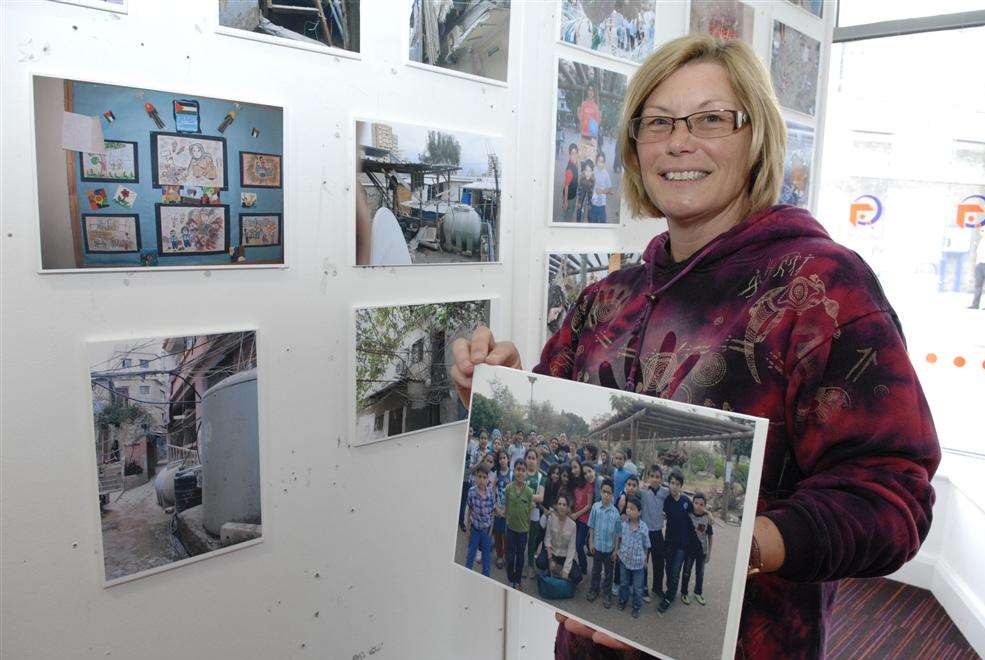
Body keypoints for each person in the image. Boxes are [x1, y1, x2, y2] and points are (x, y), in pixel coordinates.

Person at [450, 34, 939, 658]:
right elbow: (559, 439)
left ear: (755, 137)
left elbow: (892, 496)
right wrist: (502, 386)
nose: (680, 141)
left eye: (710, 118)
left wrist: (744, 549)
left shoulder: (822, 291)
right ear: (635, 148)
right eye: (658, 123)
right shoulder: (608, 298)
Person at [659, 470, 692, 613]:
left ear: (681, 486)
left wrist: (708, 513)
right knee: (668, 568)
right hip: (669, 542)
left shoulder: (686, 501)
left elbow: (696, 513)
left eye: (677, 484)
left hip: (682, 545)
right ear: (669, 484)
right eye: (672, 483)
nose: (674, 486)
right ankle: (670, 589)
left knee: (675, 572)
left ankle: (669, 597)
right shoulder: (667, 501)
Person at [585, 479, 621, 609]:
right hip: (597, 547)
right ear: (600, 492)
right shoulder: (595, 508)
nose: (606, 495)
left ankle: (607, 594)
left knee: (609, 574)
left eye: (609, 493)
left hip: (609, 550)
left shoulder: (615, 513)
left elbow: (617, 533)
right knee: (595, 571)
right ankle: (594, 589)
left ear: (612, 495)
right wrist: (591, 542)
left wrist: (616, 550)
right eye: (604, 491)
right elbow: (592, 527)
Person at [639, 464, 670, 603]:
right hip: (645, 532)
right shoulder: (643, 491)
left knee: (659, 563)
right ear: (648, 477)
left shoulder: (665, 492)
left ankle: (657, 588)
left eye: (657, 477)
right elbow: (629, 494)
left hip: (657, 533)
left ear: (661, 479)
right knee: (643, 562)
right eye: (652, 476)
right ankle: (643, 588)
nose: (654, 479)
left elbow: (678, 494)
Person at [616, 495, 650, 619]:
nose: (629, 510)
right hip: (624, 560)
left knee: (638, 587)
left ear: (639, 512)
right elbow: (619, 538)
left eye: (633, 508)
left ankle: (636, 606)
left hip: (638, 563)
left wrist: (645, 559)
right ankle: (622, 600)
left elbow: (647, 545)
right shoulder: (623, 524)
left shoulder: (644, 528)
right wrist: (618, 551)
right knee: (624, 583)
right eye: (628, 508)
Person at [539, 494, 582, 585]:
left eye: (564, 505)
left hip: (564, 556)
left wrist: (566, 570)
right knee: (540, 562)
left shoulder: (572, 525)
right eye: (560, 504)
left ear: (567, 508)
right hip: (553, 553)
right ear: (556, 506)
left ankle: (560, 571)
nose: (562, 507)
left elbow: (571, 549)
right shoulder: (551, 519)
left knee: (577, 576)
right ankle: (552, 569)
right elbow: (547, 540)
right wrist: (550, 560)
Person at [504, 460, 533, 590]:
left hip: (523, 531)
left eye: (523, 470)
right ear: (514, 470)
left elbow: (529, 512)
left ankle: (518, 579)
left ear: (526, 473)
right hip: (510, 528)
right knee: (510, 557)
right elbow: (506, 506)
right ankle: (511, 579)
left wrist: (528, 528)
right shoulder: (508, 488)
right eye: (518, 469)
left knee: (520, 558)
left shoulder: (529, 492)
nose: (520, 472)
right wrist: (506, 519)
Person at [681, 491, 713, 606]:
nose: (698, 506)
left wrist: (709, 553)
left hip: (702, 552)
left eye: (701, 504)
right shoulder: (688, 514)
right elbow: (684, 499)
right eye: (696, 503)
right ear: (692, 503)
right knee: (686, 572)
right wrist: (708, 511)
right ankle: (684, 593)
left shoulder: (707, 519)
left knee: (700, 574)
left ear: (704, 506)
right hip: (689, 551)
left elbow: (710, 536)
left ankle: (698, 592)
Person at [464, 466, 496, 577]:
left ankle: (485, 578)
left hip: (486, 530)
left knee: (486, 558)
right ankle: (465, 575)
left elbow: (492, 512)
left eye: (484, 477)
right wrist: (467, 529)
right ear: (475, 477)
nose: (481, 479)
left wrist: (490, 531)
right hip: (475, 529)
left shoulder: (490, 493)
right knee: (471, 554)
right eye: (479, 476)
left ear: (488, 479)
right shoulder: (472, 492)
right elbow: (469, 510)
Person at [524, 449, 546, 579]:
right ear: (525, 458)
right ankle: (520, 564)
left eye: (533, 458)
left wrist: (525, 496)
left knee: (532, 541)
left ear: (537, 461)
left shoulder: (540, 477)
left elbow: (541, 498)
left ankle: (530, 566)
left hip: (534, 513)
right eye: (529, 457)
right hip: (521, 512)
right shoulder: (521, 473)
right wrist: (532, 497)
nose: (531, 460)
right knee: (521, 540)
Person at [569, 459, 594, 575]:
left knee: (579, 545)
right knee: (575, 544)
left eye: (576, 467)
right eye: (572, 468)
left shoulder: (588, 484)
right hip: (575, 519)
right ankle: (580, 566)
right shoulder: (574, 483)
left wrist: (576, 514)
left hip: (584, 520)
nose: (574, 470)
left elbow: (589, 505)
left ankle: (583, 567)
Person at [492, 449, 512, 570]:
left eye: (504, 458)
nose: (502, 460)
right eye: (500, 458)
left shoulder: (512, 474)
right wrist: (497, 508)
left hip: (508, 510)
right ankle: (499, 555)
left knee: (507, 535)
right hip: (498, 509)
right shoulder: (496, 474)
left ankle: (507, 556)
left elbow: (514, 492)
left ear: (508, 459)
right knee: (498, 534)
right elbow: (493, 491)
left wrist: (507, 509)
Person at [589, 152, 613, 224]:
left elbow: (610, 190)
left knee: (602, 223)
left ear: (604, 163)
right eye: (599, 161)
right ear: (596, 161)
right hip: (592, 202)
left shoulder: (606, 174)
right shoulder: (593, 170)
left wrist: (601, 191)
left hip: (601, 204)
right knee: (592, 221)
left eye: (602, 161)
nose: (600, 163)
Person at [561, 144, 580, 222]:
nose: (574, 156)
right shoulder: (569, 170)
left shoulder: (574, 163)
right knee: (568, 216)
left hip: (573, 194)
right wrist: (565, 202)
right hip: (569, 198)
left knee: (571, 212)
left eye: (576, 153)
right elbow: (566, 186)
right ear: (569, 155)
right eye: (572, 154)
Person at [970, 224, 985, 309]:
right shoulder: (981, 242)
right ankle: (975, 304)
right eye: (982, 231)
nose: (982, 232)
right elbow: (977, 254)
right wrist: (976, 264)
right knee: (978, 285)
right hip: (979, 265)